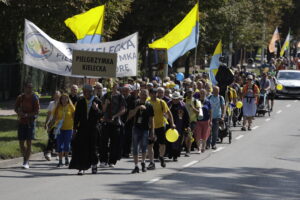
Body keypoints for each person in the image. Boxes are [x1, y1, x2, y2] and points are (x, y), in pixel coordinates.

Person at [69, 84, 102, 175]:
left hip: (93, 128)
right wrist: (74, 129)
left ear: (91, 92)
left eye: (86, 91)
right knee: (82, 148)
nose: (85, 93)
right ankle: (82, 167)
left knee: (93, 147)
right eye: (84, 92)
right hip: (83, 128)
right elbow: (76, 117)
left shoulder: (96, 101)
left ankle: (94, 165)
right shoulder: (80, 102)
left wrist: (96, 109)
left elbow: (101, 115)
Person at [127, 89, 154, 173]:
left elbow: (152, 119)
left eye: (145, 94)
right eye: (142, 94)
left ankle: (143, 162)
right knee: (135, 147)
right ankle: (136, 166)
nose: (144, 96)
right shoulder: (135, 103)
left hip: (145, 128)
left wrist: (152, 131)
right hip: (136, 128)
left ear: (148, 95)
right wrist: (138, 108)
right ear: (139, 94)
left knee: (144, 146)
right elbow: (130, 115)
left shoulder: (149, 105)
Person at [147, 88, 175, 170]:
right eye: (153, 93)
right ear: (150, 94)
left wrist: (172, 123)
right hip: (150, 127)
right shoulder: (147, 102)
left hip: (160, 126)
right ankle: (152, 162)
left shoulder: (161, 102)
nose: (154, 95)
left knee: (162, 144)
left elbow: (169, 113)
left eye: (156, 93)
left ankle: (161, 156)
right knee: (150, 145)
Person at [100, 82, 126, 168]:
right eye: (112, 86)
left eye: (115, 87)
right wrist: (106, 104)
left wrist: (115, 116)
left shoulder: (120, 97)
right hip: (106, 121)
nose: (114, 88)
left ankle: (112, 161)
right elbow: (102, 110)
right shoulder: (106, 95)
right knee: (104, 142)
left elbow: (123, 110)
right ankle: (103, 160)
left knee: (114, 143)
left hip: (115, 123)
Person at [14, 82, 40, 169]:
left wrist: (27, 115)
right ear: (24, 88)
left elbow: (37, 111)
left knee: (29, 143)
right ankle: (26, 158)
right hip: (21, 122)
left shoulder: (34, 98)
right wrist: (19, 112)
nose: (29, 89)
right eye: (28, 87)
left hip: (30, 123)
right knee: (21, 144)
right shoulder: (20, 97)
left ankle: (26, 161)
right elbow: (16, 108)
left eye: (31, 87)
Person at [52, 93, 75, 167]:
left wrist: (76, 127)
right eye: (62, 98)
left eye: (66, 98)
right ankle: (60, 161)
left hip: (69, 128)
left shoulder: (71, 107)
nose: (64, 100)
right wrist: (50, 126)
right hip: (59, 129)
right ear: (60, 99)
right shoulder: (58, 107)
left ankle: (66, 159)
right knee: (59, 145)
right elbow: (54, 117)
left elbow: (75, 117)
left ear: (68, 99)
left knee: (67, 145)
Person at [168, 92, 190, 161]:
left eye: (176, 99)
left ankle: (175, 155)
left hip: (180, 126)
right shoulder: (169, 105)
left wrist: (187, 126)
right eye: (173, 99)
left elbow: (186, 117)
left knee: (178, 141)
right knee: (169, 140)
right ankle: (170, 153)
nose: (175, 100)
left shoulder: (182, 106)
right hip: (169, 125)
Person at [44, 90, 61, 161]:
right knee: (51, 137)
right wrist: (46, 123)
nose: (56, 97)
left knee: (57, 139)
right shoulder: (51, 103)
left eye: (58, 95)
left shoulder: (61, 104)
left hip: (59, 123)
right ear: (53, 96)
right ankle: (48, 152)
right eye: (55, 95)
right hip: (51, 123)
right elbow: (48, 114)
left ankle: (57, 153)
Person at [184, 88, 201, 155]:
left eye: (191, 92)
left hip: (192, 121)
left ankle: (188, 150)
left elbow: (198, 112)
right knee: (185, 137)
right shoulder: (184, 100)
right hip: (185, 121)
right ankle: (187, 148)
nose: (190, 94)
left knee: (189, 136)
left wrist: (192, 108)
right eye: (188, 92)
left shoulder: (195, 101)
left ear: (193, 93)